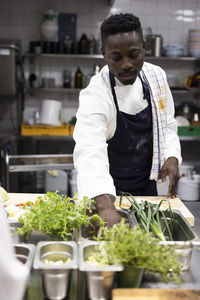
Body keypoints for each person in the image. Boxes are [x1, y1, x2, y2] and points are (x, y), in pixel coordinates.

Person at [73, 13, 181, 227]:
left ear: (144, 47)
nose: (126, 65)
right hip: (107, 192)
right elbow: (89, 150)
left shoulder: (157, 77)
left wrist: (172, 155)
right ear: (103, 54)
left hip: (147, 192)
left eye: (134, 54)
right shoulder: (96, 93)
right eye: (116, 57)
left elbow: (167, 123)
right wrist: (105, 206)